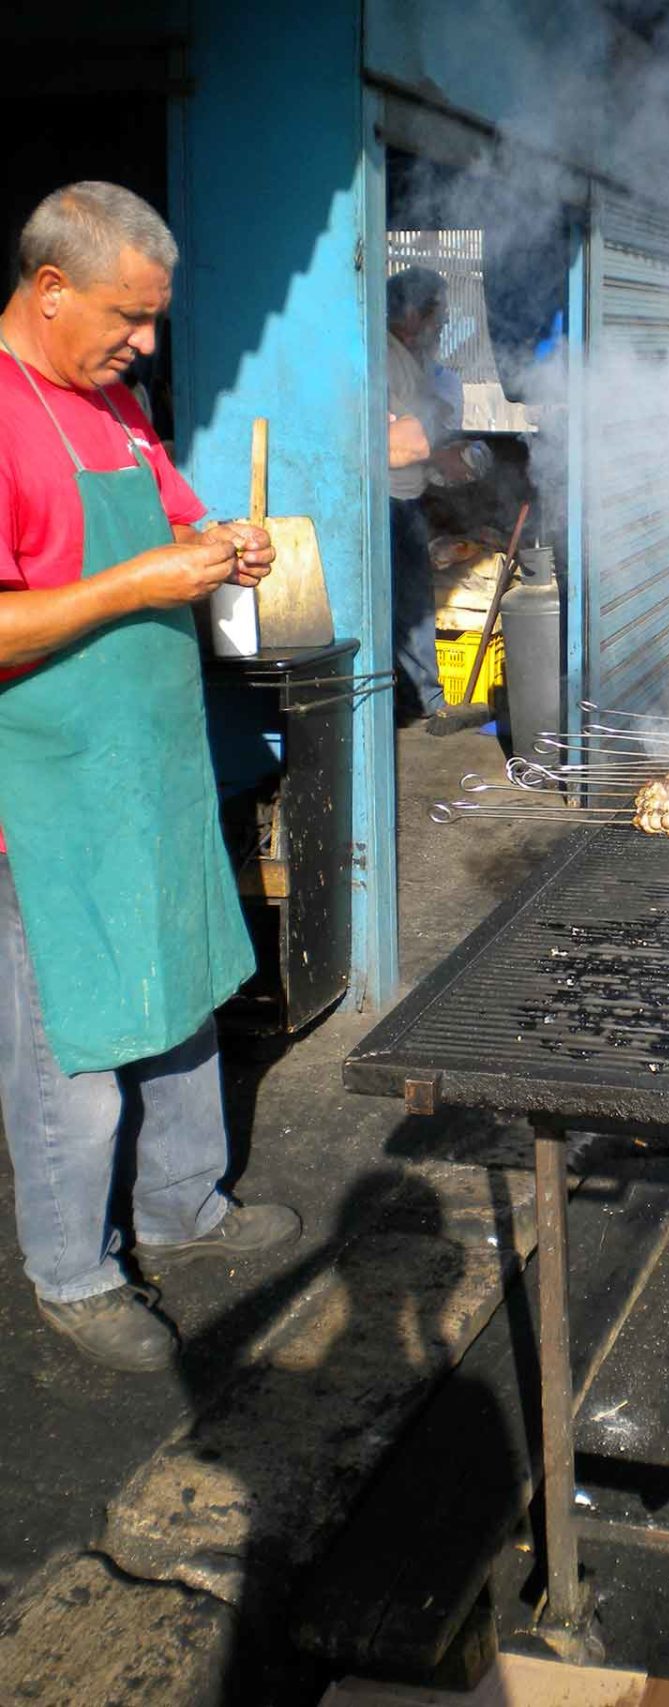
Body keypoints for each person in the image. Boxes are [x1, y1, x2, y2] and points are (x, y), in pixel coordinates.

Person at [0, 181, 300, 1374]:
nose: (147, 342)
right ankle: (72, 1270)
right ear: (51, 286)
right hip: (50, 796)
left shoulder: (115, 404)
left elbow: (173, 529)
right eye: (130, 314)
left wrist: (227, 543)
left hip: (153, 773)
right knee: (69, 1050)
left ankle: (185, 1206)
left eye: (155, 319)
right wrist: (141, 584)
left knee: (180, 993)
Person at [386, 266, 466, 730]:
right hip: (388, 503)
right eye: (437, 315)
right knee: (404, 605)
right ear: (414, 314)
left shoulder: (410, 357)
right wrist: (435, 446)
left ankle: (423, 697)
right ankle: (416, 698)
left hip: (407, 498)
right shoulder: (384, 357)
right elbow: (404, 443)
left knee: (414, 603)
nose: (441, 326)